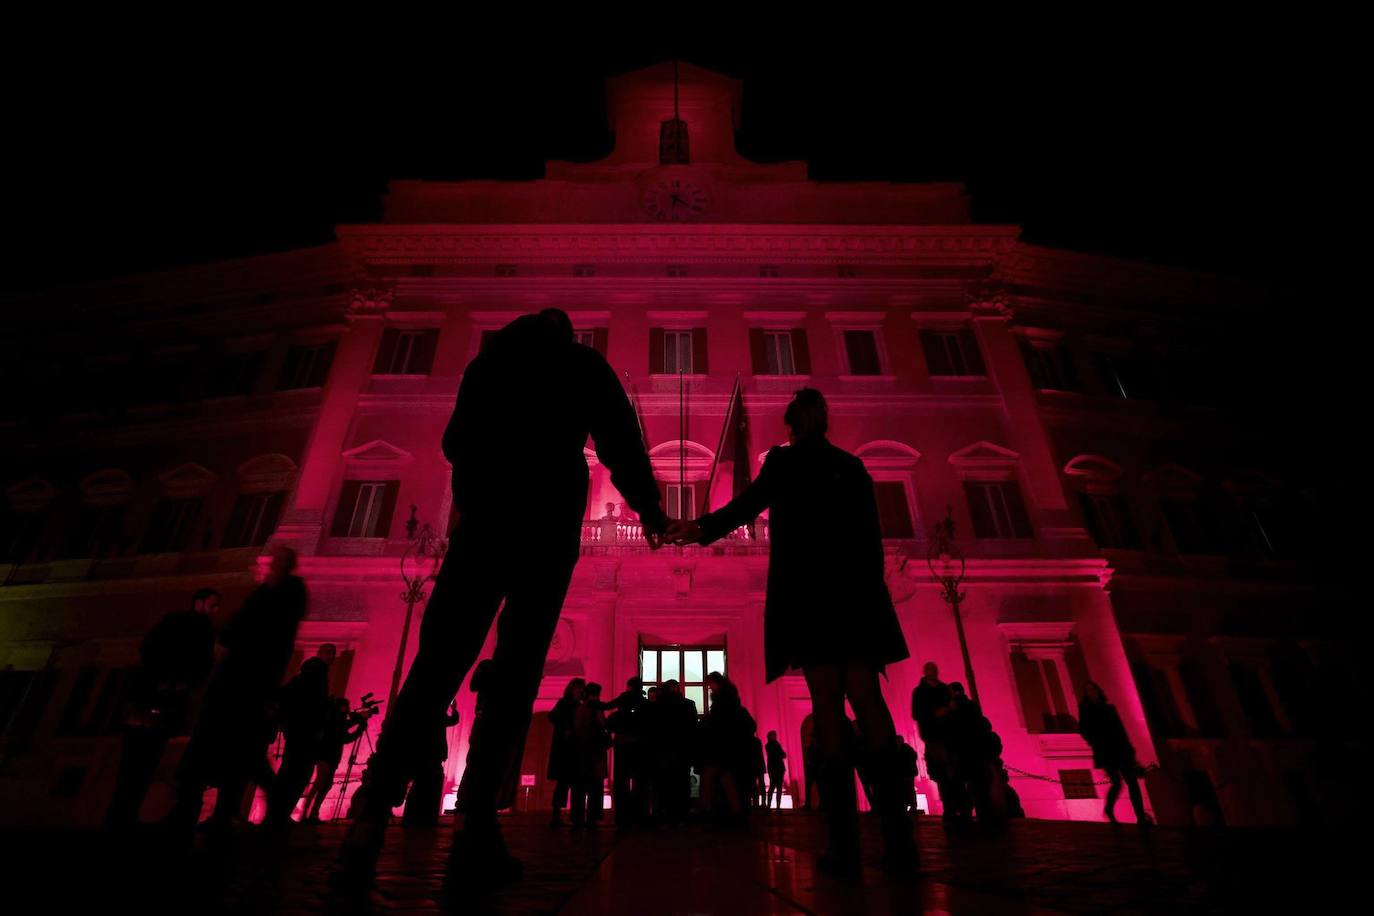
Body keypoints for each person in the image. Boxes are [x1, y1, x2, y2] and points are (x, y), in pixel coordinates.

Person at [340, 309, 670, 889]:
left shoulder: (487, 365)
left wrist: (478, 492)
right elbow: (619, 439)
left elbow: (453, 443)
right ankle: (477, 830)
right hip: (546, 526)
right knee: (517, 675)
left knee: (436, 665)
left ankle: (369, 811)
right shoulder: (580, 363)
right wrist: (650, 508)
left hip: (484, 524)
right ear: (566, 336)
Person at [667, 388, 917, 876]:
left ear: (790, 424)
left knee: (827, 711)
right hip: (857, 597)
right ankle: (899, 841)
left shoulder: (784, 464)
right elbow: (871, 540)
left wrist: (697, 529)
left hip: (812, 598)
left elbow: (744, 507)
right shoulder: (852, 467)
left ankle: (843, 845)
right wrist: (872, 599)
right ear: (824, 421)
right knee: (870, 705)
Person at [167, 545, 308, 836]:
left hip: (247, 680)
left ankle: (215, 810)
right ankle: (214, 810)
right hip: (244, 681)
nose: (272, 566)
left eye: (278, 562)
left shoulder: (283, 595)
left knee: (236, 750)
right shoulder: (271, 595)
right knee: (237, 751)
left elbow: (258, 627)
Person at [104, 588, 220, 829]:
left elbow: (149, 648)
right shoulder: (198, 630)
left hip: (151, 702)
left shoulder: (175, 625)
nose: (216, 610)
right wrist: (176, 681)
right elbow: (201, 665)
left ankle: (120, 816)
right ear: (199, 604)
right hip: (159, 703)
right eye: (213, 605)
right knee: (142, 762)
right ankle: (123, 816)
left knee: (135, 763)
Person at [263, 644, 336, 827]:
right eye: (330, 654)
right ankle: (278, 815)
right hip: (305, 734)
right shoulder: (316, 680)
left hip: (298, 733)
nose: (333, 658)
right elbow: (312, 707)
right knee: (297, 775)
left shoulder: (302, 679)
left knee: (291, 773)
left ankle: (277, 814)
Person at [1079, 681, 1153, 827]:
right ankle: (1109, 809)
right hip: (1105, 750)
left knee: (1131, 782)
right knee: (1118, 783)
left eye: (1094, 689)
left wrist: (1130, 749)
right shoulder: (1086, 710)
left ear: (1098, 691)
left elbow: (1120, 729)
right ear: (1086, 695)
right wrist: (1095, 742)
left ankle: (1139, 816)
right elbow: (1084, 730)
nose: (1092, 692)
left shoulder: (1109, 708)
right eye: (1089, 690)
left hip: (1121, 749)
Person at [301, 697, 368, 822]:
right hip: (326, 756)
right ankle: (307, 813)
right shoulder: (336, 720)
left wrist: (359, 719)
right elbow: (345, 737)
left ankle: (312, 813)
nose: (348, 709)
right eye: (346, 706)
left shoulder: (336, 719)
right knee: (320, 784)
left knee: (324, 785)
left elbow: (346, 726)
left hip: (329, 756)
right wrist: (360, 727)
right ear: (340, 707)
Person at [912, 662, 964, 819]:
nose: (933, 672)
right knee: (943, 772)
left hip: (947, 736)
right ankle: (950, 805)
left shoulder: (942, 689)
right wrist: (935, 714)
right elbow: (917, 713)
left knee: (952, 771)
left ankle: (956, 805)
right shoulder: (921, 692)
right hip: (933, 736)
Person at [401, 701, 461, 827]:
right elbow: (453, 720)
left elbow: (452, 720)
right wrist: (453, 708)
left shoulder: (426, 714)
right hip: (433, 756)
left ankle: (414, 818)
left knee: (420, 787)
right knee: (428, 787)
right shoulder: (437, 715)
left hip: (425, 756)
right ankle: (425, 817)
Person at [547, 678, 586, 828]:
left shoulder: (579, 706)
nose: (580, 692)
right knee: (563, 784)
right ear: (572, 690)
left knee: (574, 784)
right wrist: (565, 728)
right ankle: (556, 815)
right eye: (578, 689)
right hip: (565, 751)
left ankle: (574, 816)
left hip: (574, 751)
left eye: (581, 689)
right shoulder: (564, 704)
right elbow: (552, 717)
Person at [570, 682, 608, 829]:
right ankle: (592, 818)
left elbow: (577, 726)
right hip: (594, 751)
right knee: (594, 787)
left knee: (579, 788)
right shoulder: (595, 707)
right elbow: (602, 723)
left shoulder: (580, 707)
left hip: (580, 750)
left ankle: (577, 817)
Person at [765, 731, 787, 810]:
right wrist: (780, 754)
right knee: (776, 787)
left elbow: (783, 755)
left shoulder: (771, 745)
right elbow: (782, 755)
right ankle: (775, 806)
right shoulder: (773, 745)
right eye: (773, 735)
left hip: (775, 768)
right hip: (776, 768)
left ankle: (771, 805)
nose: (775, 736)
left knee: (775, 787)